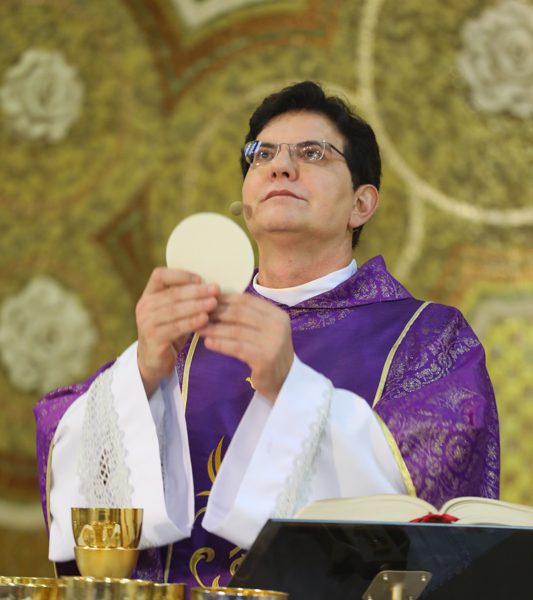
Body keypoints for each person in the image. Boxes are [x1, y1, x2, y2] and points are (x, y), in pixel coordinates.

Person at [35, 81, 499, 588]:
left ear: (361, 205)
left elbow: (434, 504)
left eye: (312, 152)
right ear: (246, 202)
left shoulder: (428, 337)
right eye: (262, 155)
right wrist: (141, 373)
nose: (280, 165)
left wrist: (290, 388)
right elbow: (65, 448)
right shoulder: (189, 330)